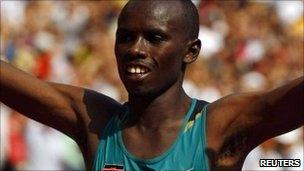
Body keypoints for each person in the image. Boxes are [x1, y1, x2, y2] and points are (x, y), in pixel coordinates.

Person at [0, 0, 303, 170]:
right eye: (126, 36)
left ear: (191, 51)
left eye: (154, 38)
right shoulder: (95, 120)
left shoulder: (218, 127)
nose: (136, 49)